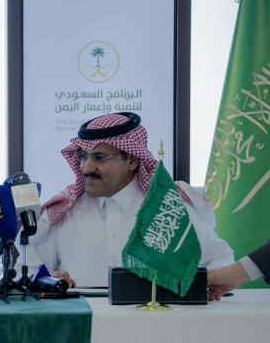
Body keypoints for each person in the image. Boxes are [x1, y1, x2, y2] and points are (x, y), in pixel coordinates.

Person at [17, 112, 234, 288]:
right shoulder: (63, 211)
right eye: (83, 156)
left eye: (100, 157)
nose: (87, 167)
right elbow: (24, 273)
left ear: (131, 160)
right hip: (83, 324)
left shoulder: (167, 206)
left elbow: (220, 261)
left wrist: (194, 286)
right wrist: (47, 280)